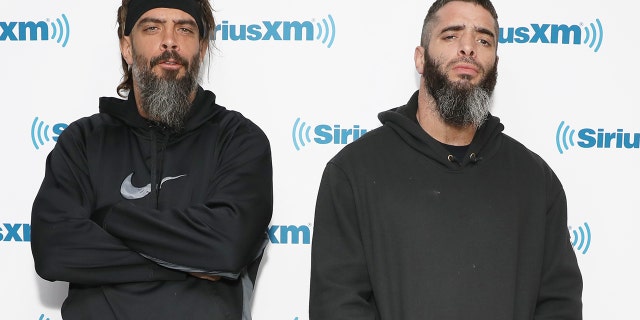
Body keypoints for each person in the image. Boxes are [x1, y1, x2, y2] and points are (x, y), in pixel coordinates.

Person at [309, 0, 583, 319]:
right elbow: (338, 304)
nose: (468, 47)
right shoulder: (354, 172)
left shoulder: (535, 179)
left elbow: (558, 303)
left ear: (495, 61)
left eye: (484, 40)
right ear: (420, 58)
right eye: (451, 35)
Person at [30, 0, 273, 319]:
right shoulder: (84, 141)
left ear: (200, 49)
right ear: (127, 48)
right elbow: (54, 252)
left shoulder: (238, 140)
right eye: (153, 27)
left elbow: (226, 249)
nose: (170, 40)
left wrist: (109, 218)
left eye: (184, 29)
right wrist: (188, 264)